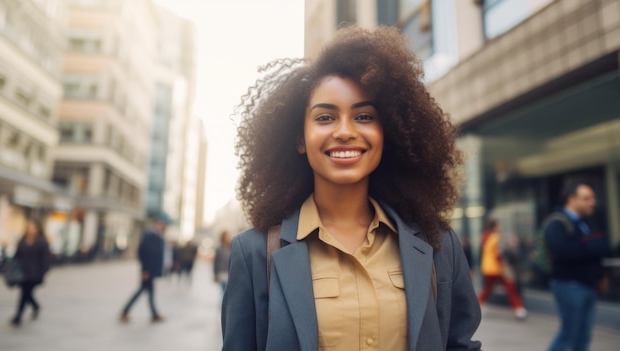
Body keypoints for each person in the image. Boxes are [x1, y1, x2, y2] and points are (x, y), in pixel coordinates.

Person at [221, 26, 481, 350]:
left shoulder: (439, 246)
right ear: (300, 138)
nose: (345, 131)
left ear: (388, 134)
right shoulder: (255, 253)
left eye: (363, 116)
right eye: (326, 117)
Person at [545, 181, 610, 351]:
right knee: (568, 334)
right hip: (570, 286)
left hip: (588, 286)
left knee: (583, 336)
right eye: (586, 198)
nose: (592, 202)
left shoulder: (584, 223)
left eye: (593, 198)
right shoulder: (557, 223)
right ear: (571, 199)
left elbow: (597, 249)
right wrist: (593, 246)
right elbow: (563, 251)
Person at [120, 213, 169, 323]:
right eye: (164, 224)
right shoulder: (150, 236)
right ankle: (125, 311)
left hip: (151, 271)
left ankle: (154, 314)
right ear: (160, 224)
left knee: (149, 292)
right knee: (141, 291)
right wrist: (145, 270)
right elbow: (144, 253)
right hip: (148, 271)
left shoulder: (159, 236)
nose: (165, 227)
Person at [477, 219, 527, 319]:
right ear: (494, 227)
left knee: (487, 289)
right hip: (498, 268)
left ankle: (478, 305)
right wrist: (504, 265)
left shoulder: (485, 237)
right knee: (510, 287)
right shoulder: (495, 237)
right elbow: (498, 254)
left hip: (488, 268)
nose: (500, 228)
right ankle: (519, 309)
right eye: (498, 226)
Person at [10, 218, 51, 327]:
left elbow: (46, 259)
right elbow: (16, 256)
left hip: (35, 274)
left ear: (38, 229)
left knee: (25, 293)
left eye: (33, 227)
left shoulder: (41, 242)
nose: (30, 229)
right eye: (29, 227)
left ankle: (18, 316)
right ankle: (34, 307)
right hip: (22, 273)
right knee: (26, 293)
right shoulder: (23, 240)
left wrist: (42, 272)